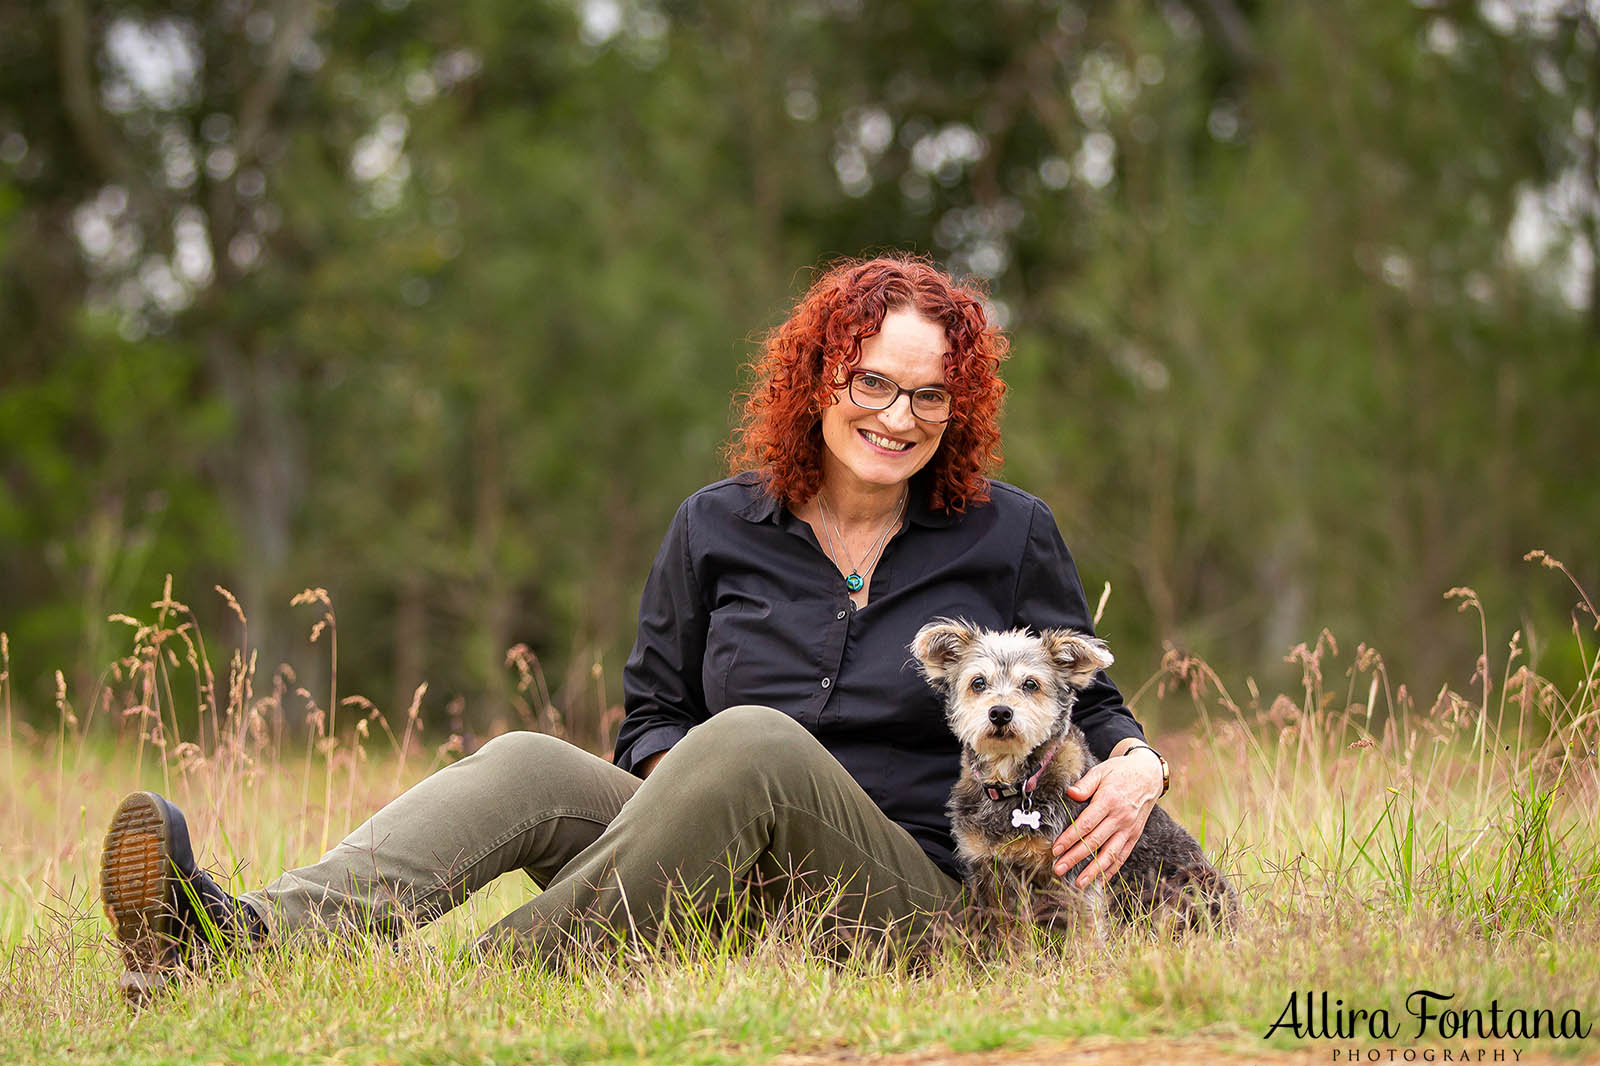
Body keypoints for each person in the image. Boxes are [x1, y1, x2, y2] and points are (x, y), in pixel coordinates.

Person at [99, 254, 1167, 1001]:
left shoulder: (1007, 532)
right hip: (727, 867)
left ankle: (467, 993)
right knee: (527, 761)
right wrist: (679, 793)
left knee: (755, 741)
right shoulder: (716, 525)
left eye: (928, 396)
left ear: (959, 405)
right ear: (817, 381)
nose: (896, 417)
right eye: (871, 382)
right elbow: (653, 716)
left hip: (915, 901)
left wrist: (1135, 762)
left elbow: (1093, 698)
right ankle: (237, 941)